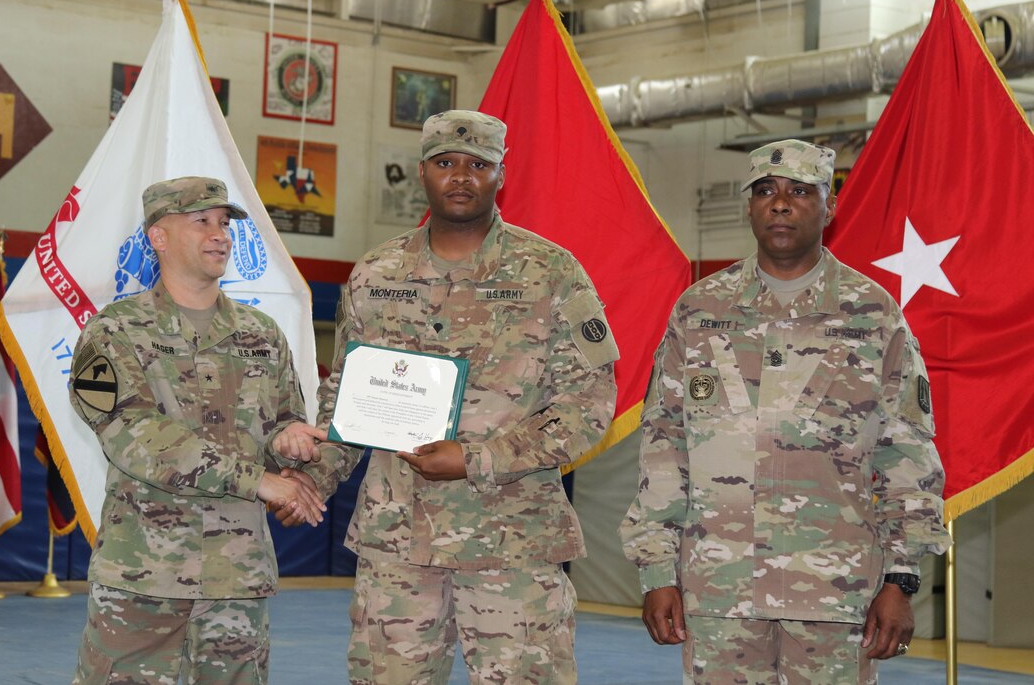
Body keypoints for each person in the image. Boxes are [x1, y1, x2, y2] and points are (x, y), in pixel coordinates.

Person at [278, 110, 619, 684]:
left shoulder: (553, 274)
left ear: (501, 174)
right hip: (397, 546)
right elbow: (347, 399)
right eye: (445, 163)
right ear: (422, 173)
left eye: (478, 164)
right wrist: (313, 480)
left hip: (513, 543)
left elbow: (589, 406)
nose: (461, 176)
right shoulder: (375, 274)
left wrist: (478, 459)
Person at [619, 140, 951, 683]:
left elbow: (907, 454)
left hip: (834, 591)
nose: (780, 204)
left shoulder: (873, 314)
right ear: (748, 206)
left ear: (830, 205)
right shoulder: (700, 310)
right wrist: (657, 569)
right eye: (766, 191)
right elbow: (663, 447)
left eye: (800, 191)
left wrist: (902, 579)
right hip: (720, 587)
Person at [68, 176, 327, 685]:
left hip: (237, 579)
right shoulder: (113, 332)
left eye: (225, 222)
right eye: (201, 221)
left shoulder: (261, 334)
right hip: (144, 578)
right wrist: (260, 481)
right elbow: (136, 436)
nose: (220, 234)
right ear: (158, 237)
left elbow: (281, 420)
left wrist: (288, 442)